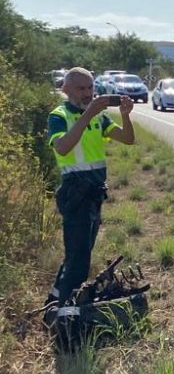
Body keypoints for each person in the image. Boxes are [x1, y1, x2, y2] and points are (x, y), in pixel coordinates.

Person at [46, 68, 135, 305]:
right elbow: (62, 147)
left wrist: (125, 115)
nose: (87, 93)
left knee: (78, 254)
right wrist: (87, 115)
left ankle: (55, 301)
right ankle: (67, 315)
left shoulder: (99, 116)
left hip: (95, 192)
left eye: (90, 88)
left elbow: (128, 139)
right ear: (65, 90)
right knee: (79, 258)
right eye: (81, 88)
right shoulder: (59, 115)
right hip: (75, 193)